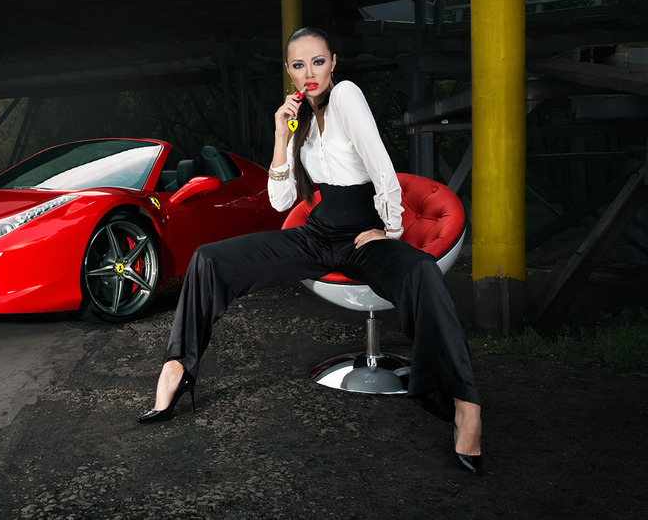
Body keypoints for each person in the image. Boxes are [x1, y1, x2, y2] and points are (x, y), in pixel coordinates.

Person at [137, 26, 483, 474]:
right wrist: (282, 134)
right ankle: (177, 369)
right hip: (317, 236)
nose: (309, 73)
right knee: (209, 258)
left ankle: (465, 406)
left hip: (364, 237)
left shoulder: (347, 98)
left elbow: (381, 164)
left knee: (421, 273)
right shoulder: (299, 117)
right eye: (299, 65)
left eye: (318, 61)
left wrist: (391, 230)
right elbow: (282, 202)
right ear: (289, 70)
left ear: (334, 62)